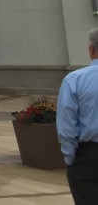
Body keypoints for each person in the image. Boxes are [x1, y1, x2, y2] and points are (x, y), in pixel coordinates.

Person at [56, 27, 98, 204]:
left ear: (91, 49)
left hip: (89, 157)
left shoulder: (74, 80)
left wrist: (70, 157)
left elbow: (67, 127)